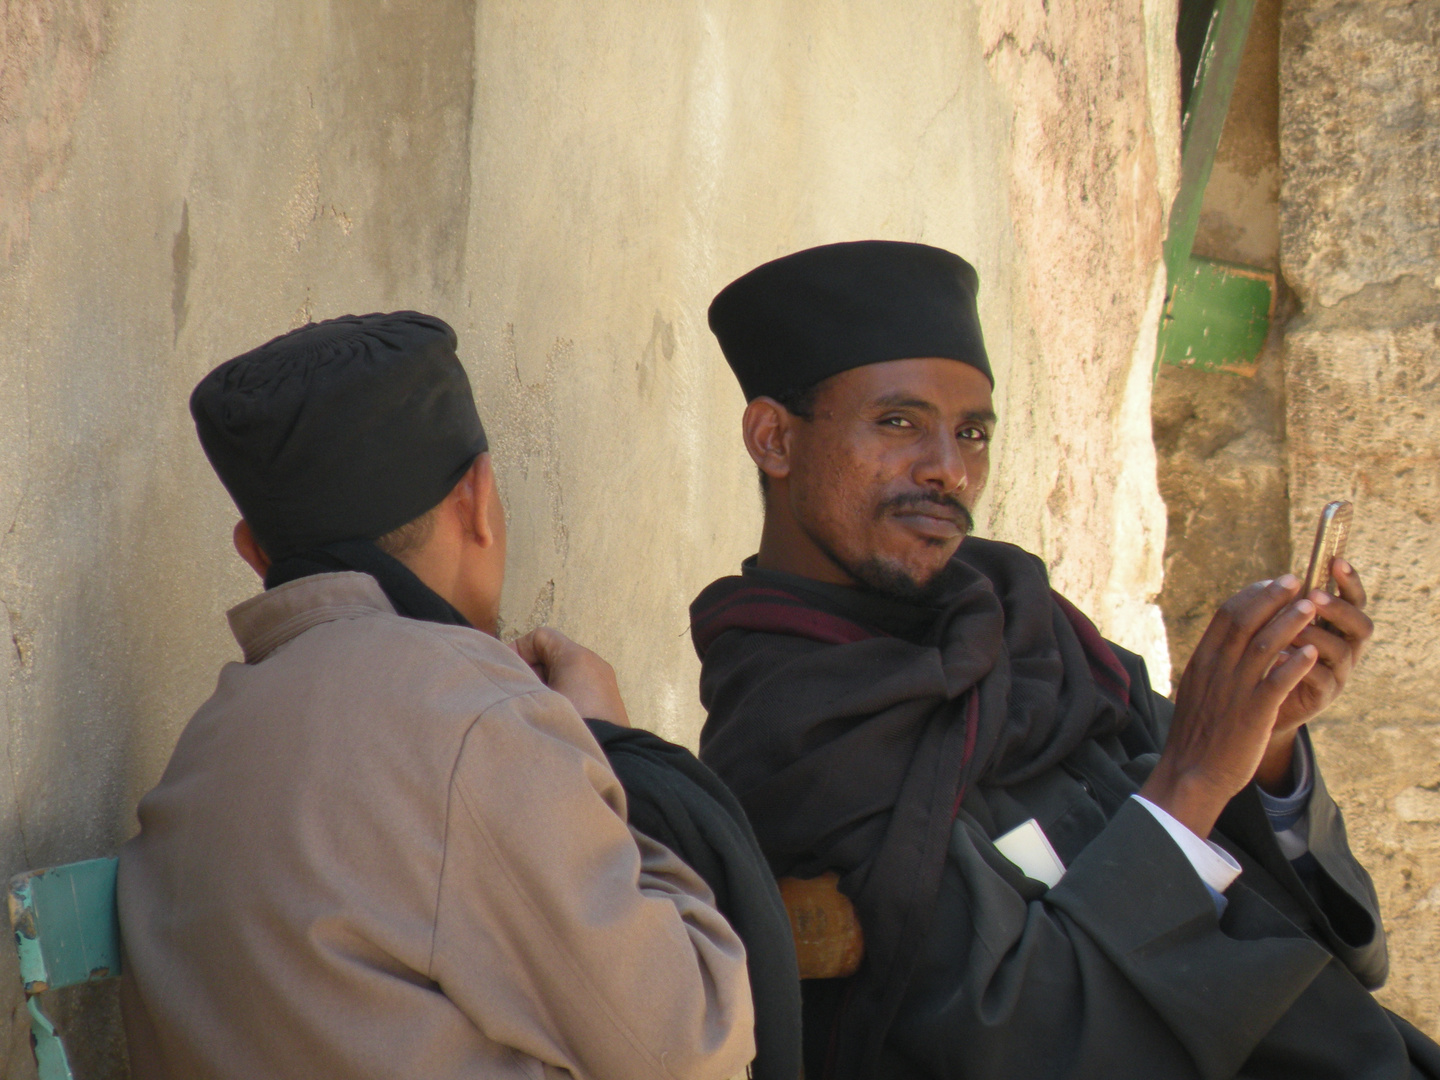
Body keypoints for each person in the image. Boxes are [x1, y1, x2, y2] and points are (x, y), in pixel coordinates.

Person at [689, 240, 1440, 1080]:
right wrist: (1190, 780)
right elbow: (1021, 1035)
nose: (948, 469)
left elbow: (1348, 946)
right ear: (774, 439)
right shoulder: (795, 732)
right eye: (898, 422)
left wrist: (1264, 745)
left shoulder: (1022, 624)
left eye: (971, 433)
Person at [118, 312, 761, 1080]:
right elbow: (688, 1037)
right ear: (478, 502)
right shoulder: (472, 713)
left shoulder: (206, 742)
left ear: (255, 553)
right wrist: (606, 749)